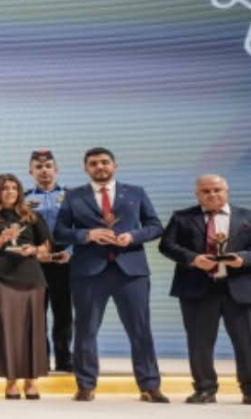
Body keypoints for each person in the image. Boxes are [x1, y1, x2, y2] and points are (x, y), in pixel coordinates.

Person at [54, 147, 168, 403]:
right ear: (86, 168)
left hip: (131, 271)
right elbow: (60, 232)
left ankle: (150, 385)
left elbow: (155, 226)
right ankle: (85, 385)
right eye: (93, 163)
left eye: (105, 162)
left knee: (140, 329)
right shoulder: (73, 196)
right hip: (89, 272)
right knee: (85, 330)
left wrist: (133, 236)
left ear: (115, 165)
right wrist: (87, 235)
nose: (100, 167)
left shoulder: (136, 192)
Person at [159, 174, 251, 405]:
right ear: (197, 194)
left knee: (246, 342)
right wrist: (193, 259)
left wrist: (243, 258)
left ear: (226, 191)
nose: (212, 194)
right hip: (197, 290)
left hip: (238, 289)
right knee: (199, 342)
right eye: (206, 191)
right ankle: (205, 389)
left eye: (217, 190)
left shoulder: (247, 216)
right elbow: (167, 245)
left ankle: (249, 389)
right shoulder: (182, 217)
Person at [0, 174, 51, 399]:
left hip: (31, 275)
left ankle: (31, 381)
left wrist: (34, 250)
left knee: (34, 328)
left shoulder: (32, 216)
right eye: (5, 188)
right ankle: (10, 380)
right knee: (6, 329)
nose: (10, 192)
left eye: (14, 188)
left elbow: (46, 247)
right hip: (1, 276)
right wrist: (1, 240)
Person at [24, 150, 74, 372]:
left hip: (65, 261)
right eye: (38, 167)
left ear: (56, 169)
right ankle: (40, 358)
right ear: (31, 171)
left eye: (48, 166)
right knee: (36, 313)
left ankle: (64, 357)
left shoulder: (72, 196)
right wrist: (34, 252)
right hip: (35, 262)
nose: (44, 170)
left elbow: (80, 227)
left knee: (63, 312)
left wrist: (70, 251)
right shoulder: (23, 199)